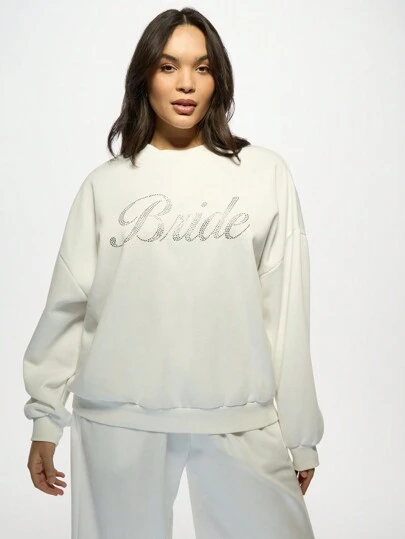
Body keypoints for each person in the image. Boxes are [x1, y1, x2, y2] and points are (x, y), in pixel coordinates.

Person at [23, 7, 324, 539]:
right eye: (168, 67)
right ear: (145, 76)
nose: (186, 83)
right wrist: (46, 418)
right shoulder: (106, 186)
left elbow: (286, 313)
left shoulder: (263, 175)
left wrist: (300, 436)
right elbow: (68, 308)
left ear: (218, 80)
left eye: (202, 68)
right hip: (117, 421)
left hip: (240, 420)